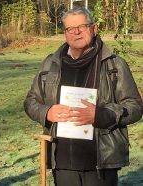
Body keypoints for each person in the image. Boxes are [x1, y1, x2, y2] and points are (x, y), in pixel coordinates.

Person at [24, 7, 143, 186]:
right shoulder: (51, 64)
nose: (76, 32)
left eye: (82, 26)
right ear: (65, 33)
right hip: (62, 162)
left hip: (101, 162)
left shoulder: (114, 65)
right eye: (70, 28)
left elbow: (135, 107)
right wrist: (46, 112)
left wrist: (101, 115)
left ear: (94, 29)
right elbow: (30, 102)